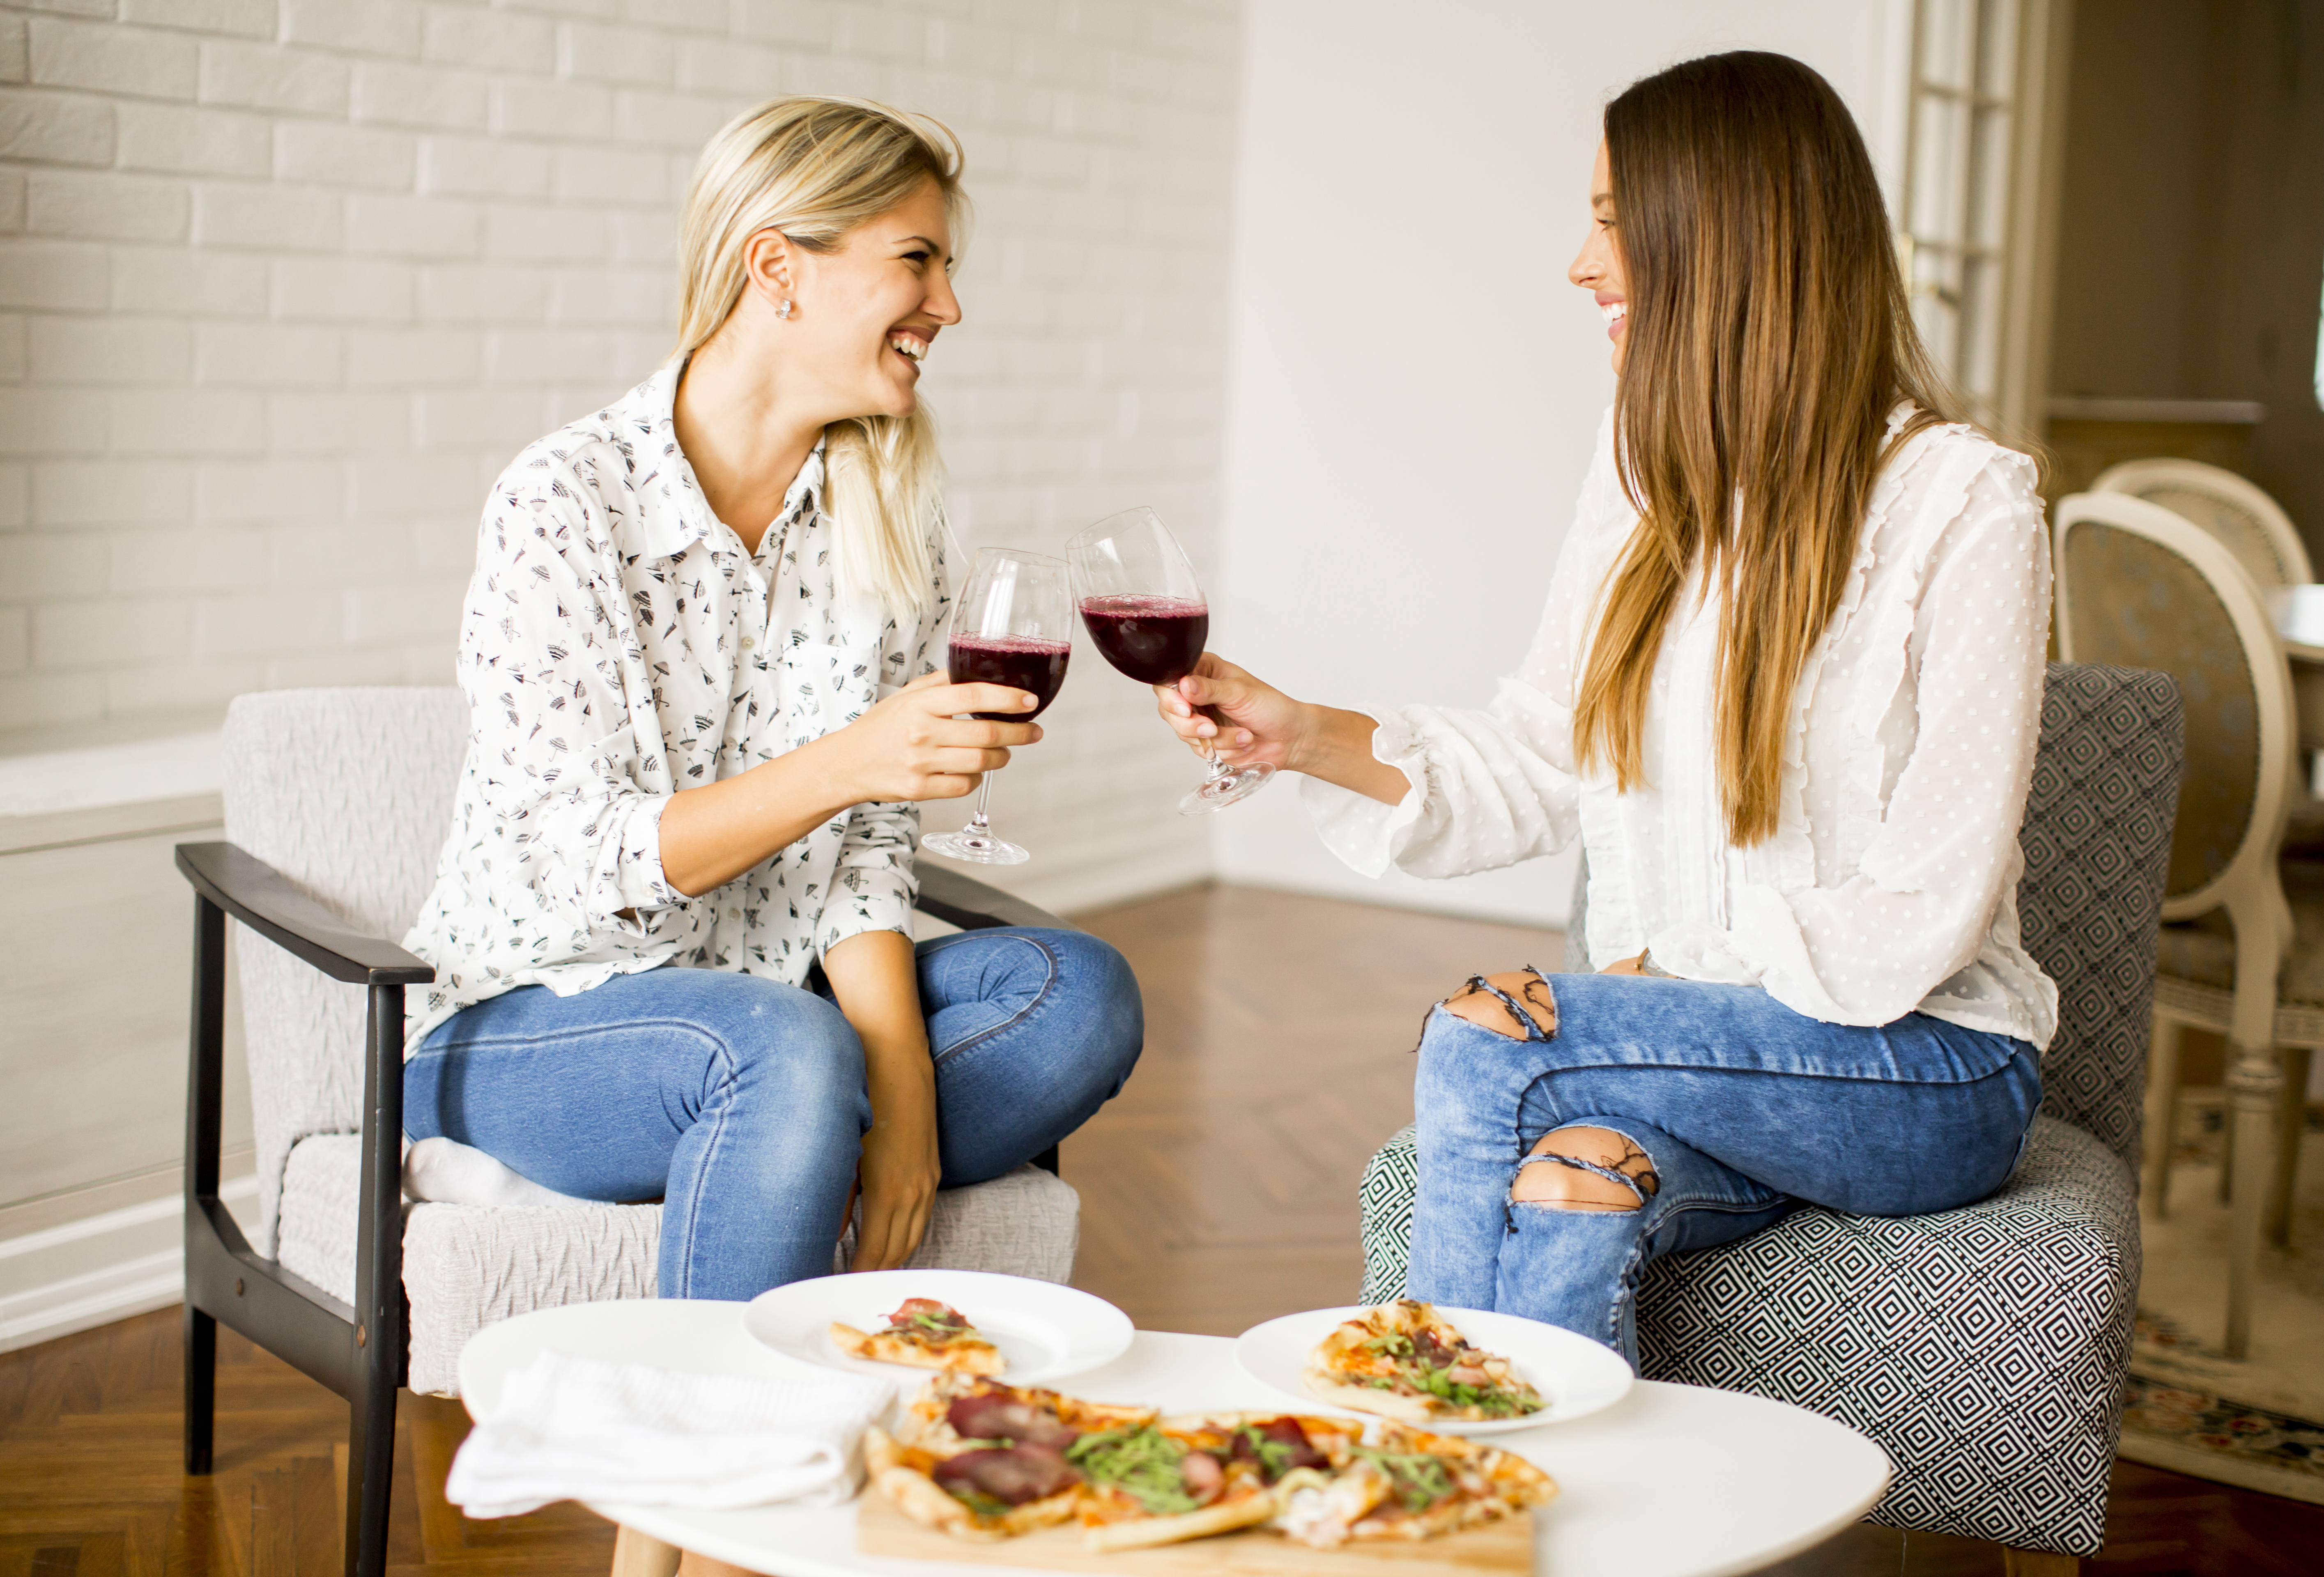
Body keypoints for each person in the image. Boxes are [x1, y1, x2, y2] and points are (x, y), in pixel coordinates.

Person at [1152, 52, 2053, 1363]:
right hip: (1703, 1064)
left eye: (1613, 222)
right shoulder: (1645, 471)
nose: (1581, 264)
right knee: (1571, 1180)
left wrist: (1657, 974)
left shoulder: (1964, 503)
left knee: (1483, 1041)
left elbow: (1930, 903)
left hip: (1922, 1072)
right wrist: (1306, 735)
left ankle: (1405, 1448)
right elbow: (1544, 754)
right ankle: (1535, 1530)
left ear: (1730, 239)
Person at [400, 97, 1143, 1301]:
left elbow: (866, 857)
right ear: (776, 270)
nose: (948, 306)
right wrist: (853, 760)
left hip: (774, 1002)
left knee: (1078, 996)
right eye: (917, 260)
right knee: (784, 1049)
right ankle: (718, 1454)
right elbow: (583, 862)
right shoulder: (567, 503)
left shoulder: (891, 512)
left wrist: (900, 1100)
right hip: (536, 1014)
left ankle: (773, 1149)